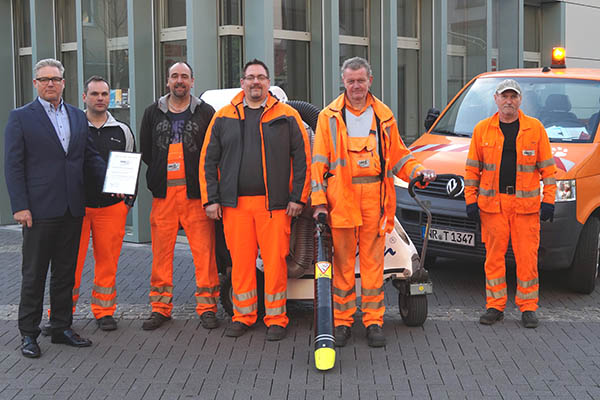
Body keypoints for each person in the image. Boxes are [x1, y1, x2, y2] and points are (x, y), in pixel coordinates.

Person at [311, 57, 436, 348]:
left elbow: (400, 155)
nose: (356, 86)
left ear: (371, 81)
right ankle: (341, 324)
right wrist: (319, 203)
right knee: (342, 265)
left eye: (361, 80)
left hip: (375, 201)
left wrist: (418, 171)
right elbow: (318, 165)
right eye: (351, 81)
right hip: (341, 199)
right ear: (343, 82)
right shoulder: (328, 117)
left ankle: (373, 322)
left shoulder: (383, 115)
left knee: (372, 265)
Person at [199, 59, 311, 341]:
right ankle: (243, 315)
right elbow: (207, 160)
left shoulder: (287, 116)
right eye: (251, 77)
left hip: (274, 206)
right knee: (241, 263)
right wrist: (210, 199)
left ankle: (277, 318)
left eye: (261, 77)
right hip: (233, 206)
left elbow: (303, 159)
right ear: (242, 83)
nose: (256, 82)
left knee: (274, 264)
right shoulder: (223, 116)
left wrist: (299, 197)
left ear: (269, 82)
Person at [4, 58, 106, 358]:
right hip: (38, 211)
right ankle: (29, 334)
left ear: (64, 82)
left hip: (72, 209)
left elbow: (88, 158)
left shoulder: (77, 116)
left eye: (56, 78)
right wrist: (20, 206)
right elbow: (13, 165)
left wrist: (117, 181)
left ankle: (61, 327)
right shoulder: (21, 117)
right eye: (44, 79)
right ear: (35, 83)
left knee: (65, 273)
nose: (50, 83)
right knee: (34, 274)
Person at [40, 76, 136, 335]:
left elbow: (131, 166)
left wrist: (128, 202)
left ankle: (104, 311)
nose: (100, 98)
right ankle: (60, 314)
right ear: (84, 97)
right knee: (68, 263)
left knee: (107, 262)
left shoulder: (122, 130)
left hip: (111, 209)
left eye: (104, 94)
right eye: (94, 94)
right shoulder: (71, 125)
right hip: (76, 208)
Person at [464, 79, 557, 329]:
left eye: (513, 97)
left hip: (525, 208)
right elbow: (472, 169)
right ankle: (495, 306)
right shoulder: (482, 130)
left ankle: (528, 308)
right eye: (504, 96)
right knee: (494, 259)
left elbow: (549, 169)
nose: (509, 101)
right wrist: (470, 200)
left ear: (520, 100)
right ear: (495, 99)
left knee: (527, 259)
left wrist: (549, 200)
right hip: (493, 206)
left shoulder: (535, 129)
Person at [139, 62, 222, 331]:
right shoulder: (152, 112)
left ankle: (208, 307)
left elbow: (213, 152)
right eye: (174, 76)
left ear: (192, 81)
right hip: (163, 198)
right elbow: (147, 153)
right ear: (167, 81)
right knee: (161, 254)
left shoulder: (206, 112)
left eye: (184, 76)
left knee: (204, 254)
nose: (179, 81)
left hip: (196, 197)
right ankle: (160, 308)